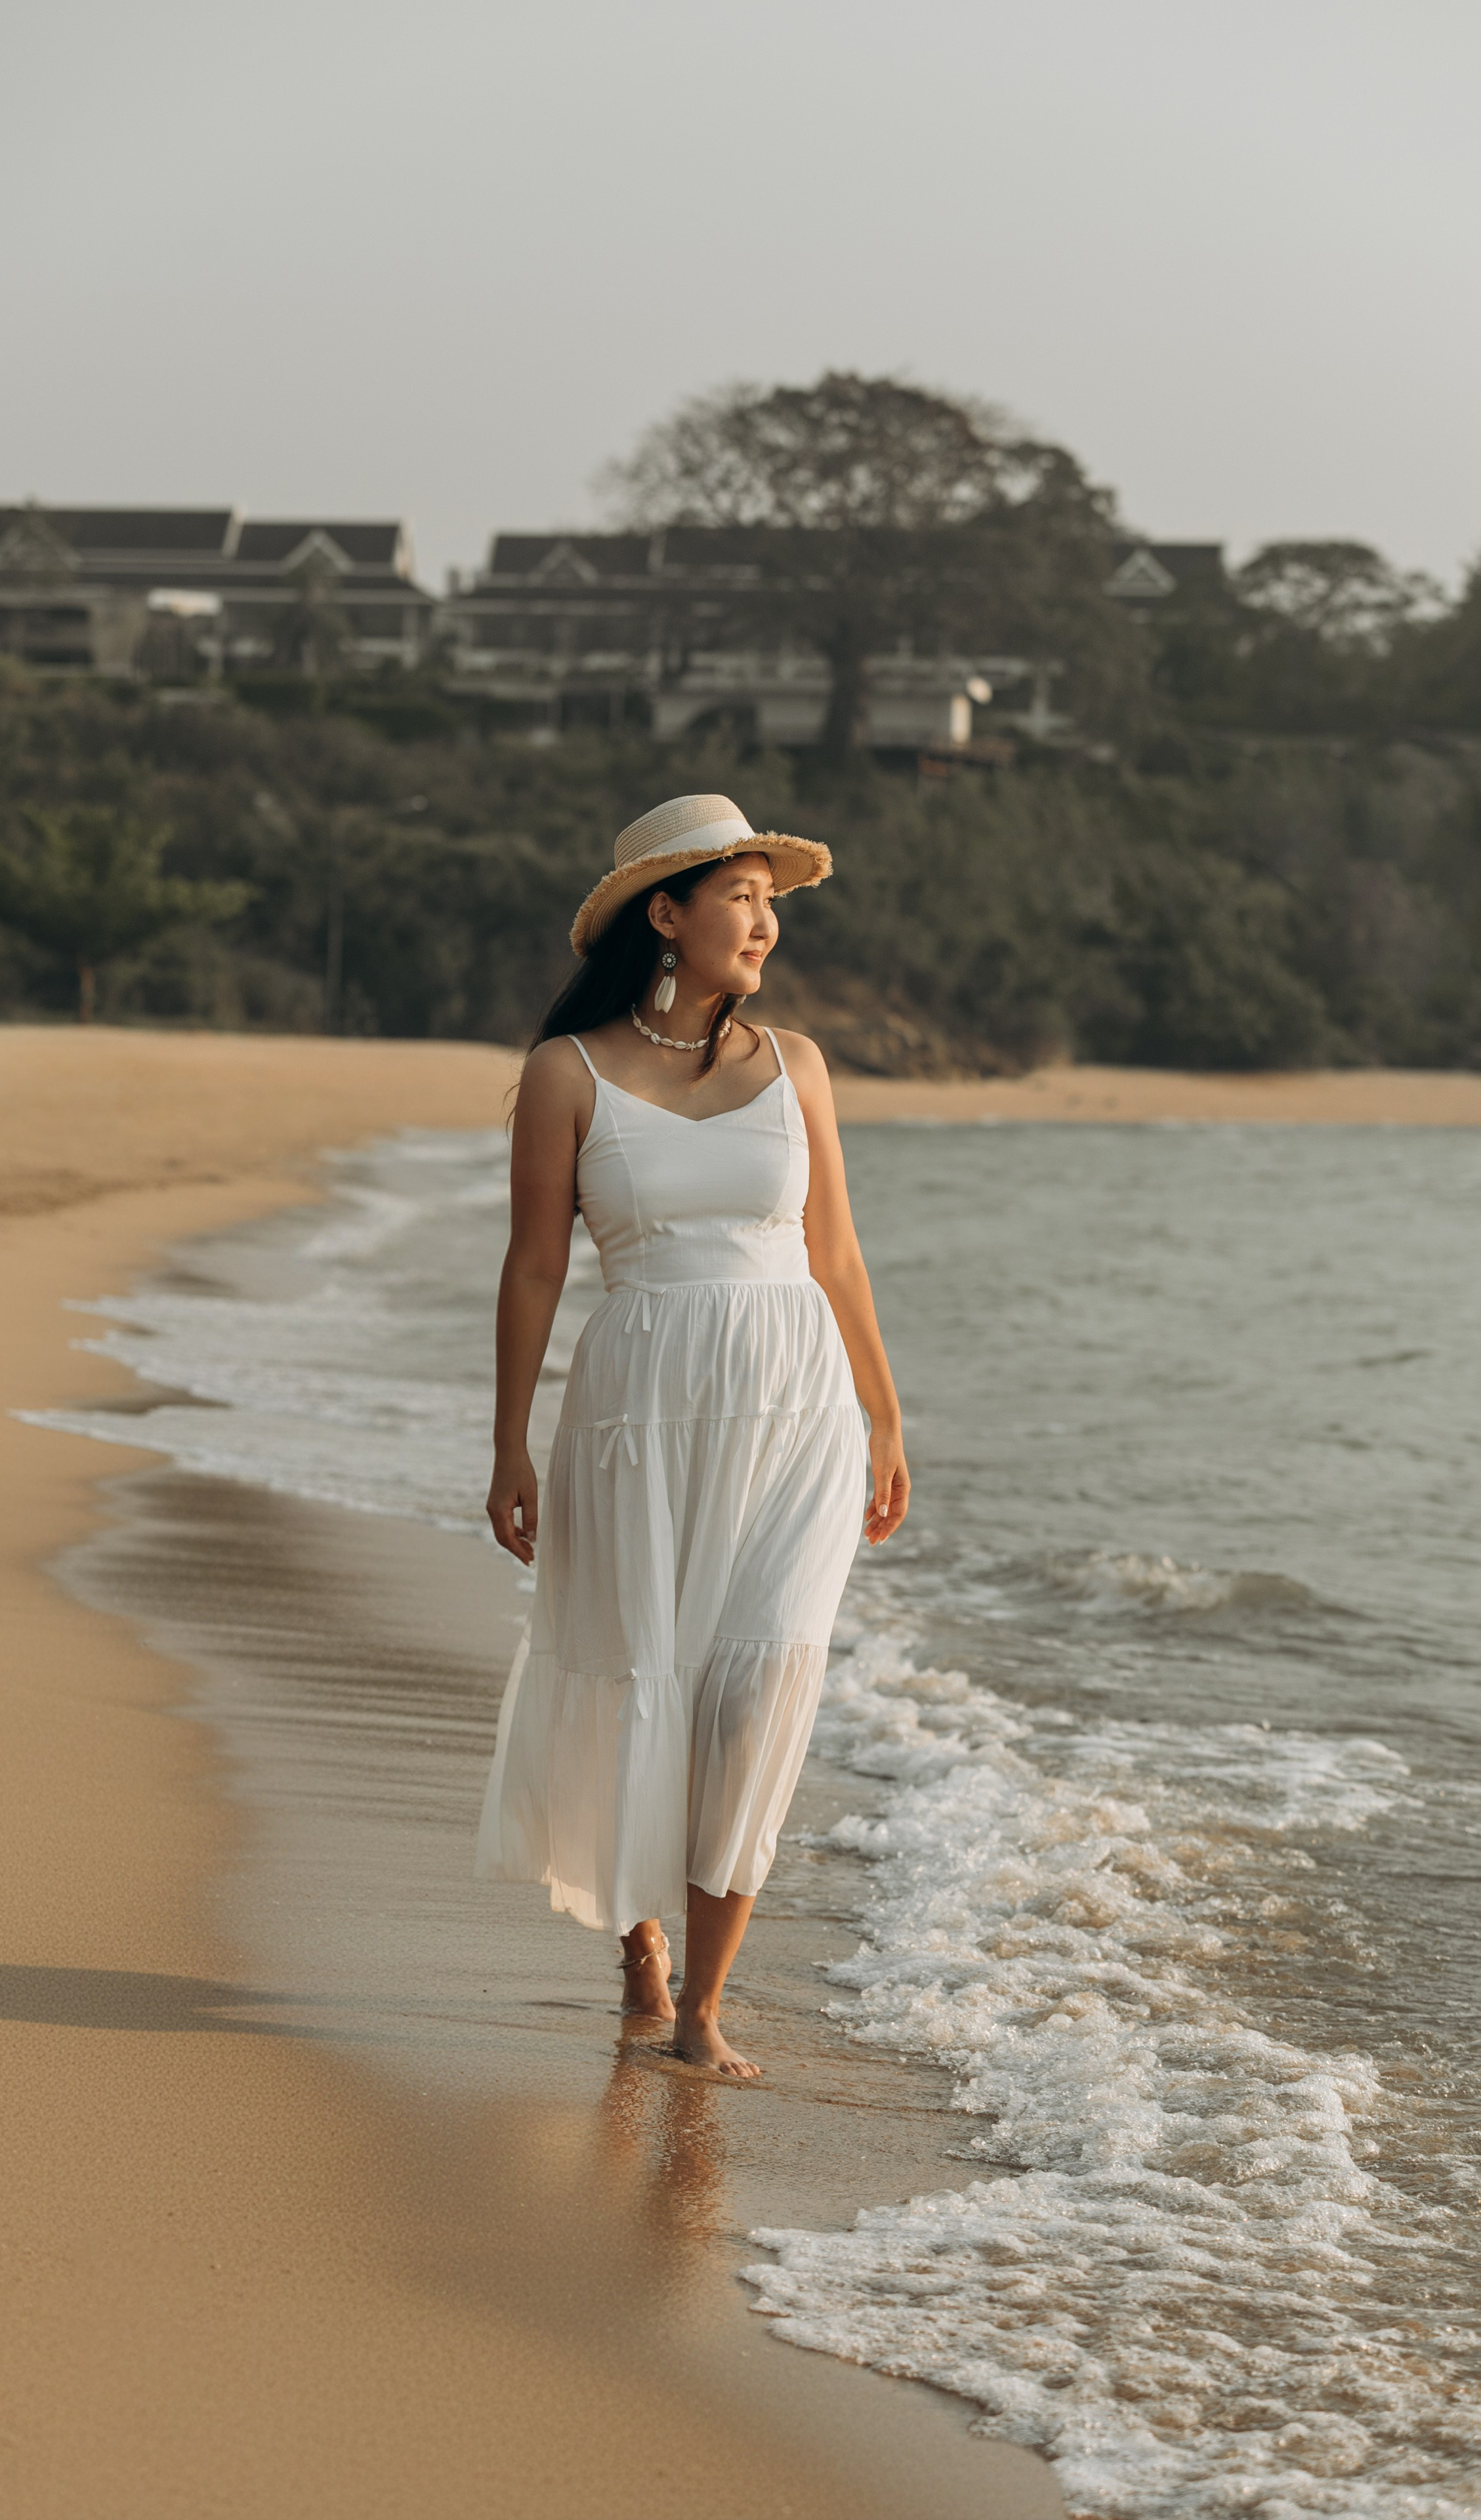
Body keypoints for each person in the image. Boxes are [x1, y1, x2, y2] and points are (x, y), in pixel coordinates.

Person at [477, 793, 909, 2078]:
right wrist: (508, 1447)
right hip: (636, 1410)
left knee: (759, 1680)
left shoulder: (800, 1069)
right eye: (742, 897)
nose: (765, 922)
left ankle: (702, 2012)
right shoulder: (568, 1075)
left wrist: (885, 1416)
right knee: (644, 1674)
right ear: (665, 915)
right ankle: (640, 1948)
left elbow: (834, 1254)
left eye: (772, 901)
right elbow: (533, 1271)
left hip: (797, 1408)